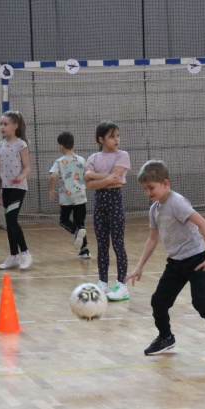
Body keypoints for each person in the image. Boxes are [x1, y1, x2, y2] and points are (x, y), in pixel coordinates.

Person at [125, 160, 205, 362]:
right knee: (158, 302)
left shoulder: (177, 202)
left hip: (197, 259)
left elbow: (204, 224)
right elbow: (153, 238)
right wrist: (139, 267)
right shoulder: (155, 209)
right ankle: (166, 337)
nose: (148, 192)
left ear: (165, 183)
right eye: (145, 189)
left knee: (200, 302)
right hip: (176, 263)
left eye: (151, 188)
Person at [85, 120, 130, 301]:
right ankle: (102, 281)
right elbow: (89, 185)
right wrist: (107, 179)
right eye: (112, 137)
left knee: (118, 244)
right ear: (101, 139)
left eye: (118, 136)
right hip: (99, 204)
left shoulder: (122, 155)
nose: (116, 139)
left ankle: (122, 284)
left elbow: (117, 180)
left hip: (115, 201)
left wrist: (94, 178)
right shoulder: (93, 158)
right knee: (102, 244)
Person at [0, 111, 33, 271]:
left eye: (6, 124)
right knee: (9, 223)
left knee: (11, 219)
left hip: (18, 188)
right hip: (6, 189)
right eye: (1, 124)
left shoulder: (21, 144)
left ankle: (25, 253)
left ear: (15, 126)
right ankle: (14, 256)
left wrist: (20, 177)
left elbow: (27, 167)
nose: (2, 127)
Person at [49, 131, 90, 259]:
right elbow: (87, 175)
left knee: (64, 220)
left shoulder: (59, 161)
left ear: (61, 146)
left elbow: (53, 176)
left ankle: (76, 231)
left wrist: (51, 190)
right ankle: (84, 250)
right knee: (80, 223)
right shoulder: (82, 160)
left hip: (66, 197)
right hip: (80, 195)